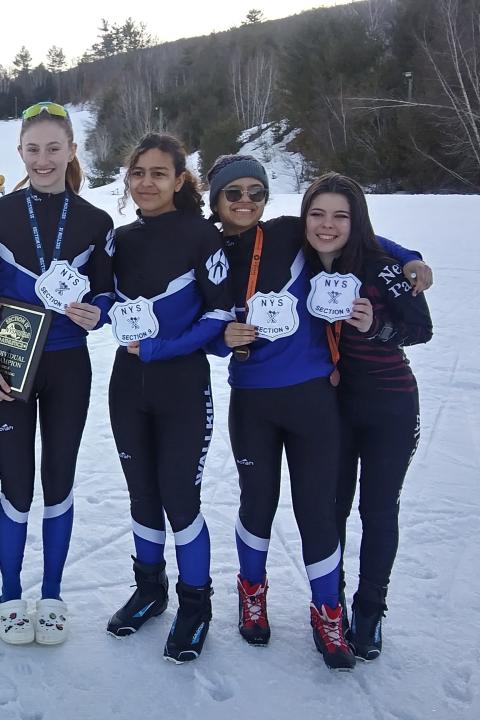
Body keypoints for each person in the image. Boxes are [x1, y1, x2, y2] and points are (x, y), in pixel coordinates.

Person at [205, 154, 431, 670]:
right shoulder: (206, 250)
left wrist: (412, 257)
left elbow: (361, 240)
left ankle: (329, 611)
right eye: (233, 193)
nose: (244, 202)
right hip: (253, 401)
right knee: (256, 502)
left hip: (313, 398)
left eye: (255, 192)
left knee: (317, 509)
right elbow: (197, 321)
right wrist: (222, 340)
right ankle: (252, 594)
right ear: (216, 200)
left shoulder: (290, 232)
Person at [0, 101, 114, 645]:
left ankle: (51, 593)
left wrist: (95, 311)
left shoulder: (97, 222)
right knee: (15, 485)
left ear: (73, 150)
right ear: (20, 153)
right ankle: (10, 595)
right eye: (34, 149)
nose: (44, 159)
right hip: (9, 361)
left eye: (55, 148)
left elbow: (105, 292)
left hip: (68, 364)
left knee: (58, 480)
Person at [105, 133, 234, 662]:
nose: (146, 183)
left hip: (182, 385)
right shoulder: (121, 239)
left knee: (179, 498)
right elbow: (98, 291)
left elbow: (221, 313)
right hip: (127, 388)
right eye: (138, 173)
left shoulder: (202, 237)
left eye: (159, 173)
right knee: (141, 495)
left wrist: (162, 348)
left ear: (180, 180)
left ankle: (196, 605)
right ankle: (150, 589)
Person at [300, 173, 432, 660]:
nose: (328, 225)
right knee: (329, 508)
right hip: (332, 407)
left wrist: (377, 327)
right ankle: (329, 605)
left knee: (377, 511)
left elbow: (422, 329)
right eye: (317, 214)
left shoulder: (381, 267)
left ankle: (370, 610)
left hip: (389, 406)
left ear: (356, 222)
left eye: (341, 216)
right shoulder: (301, 264)